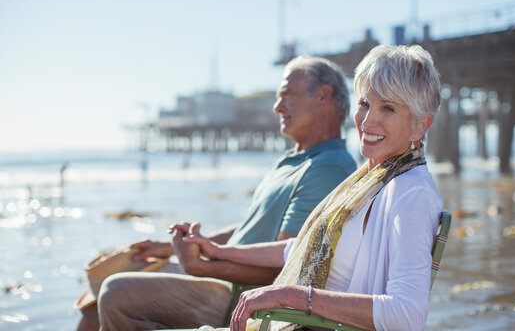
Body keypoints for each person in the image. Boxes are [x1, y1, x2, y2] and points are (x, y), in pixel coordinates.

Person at [175, 44, 444, 331]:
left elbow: (407, 315)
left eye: (387, 108)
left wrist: (293, 297)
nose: (367, 121)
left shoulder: (412, 192)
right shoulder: (374, 180)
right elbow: (298, 249)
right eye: (364, 104)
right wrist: (218, 251)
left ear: (420, 125)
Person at [90, 55, 357, 331]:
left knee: (115, 293)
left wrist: (202, 267)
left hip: (242, 296)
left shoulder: (329, 167)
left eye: (286, 95)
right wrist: (170, 248)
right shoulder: (294, 159)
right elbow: (249, 229)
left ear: (324, 96)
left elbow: (286, 266)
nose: (277, 107)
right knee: (100, 289)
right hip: (223, 278)